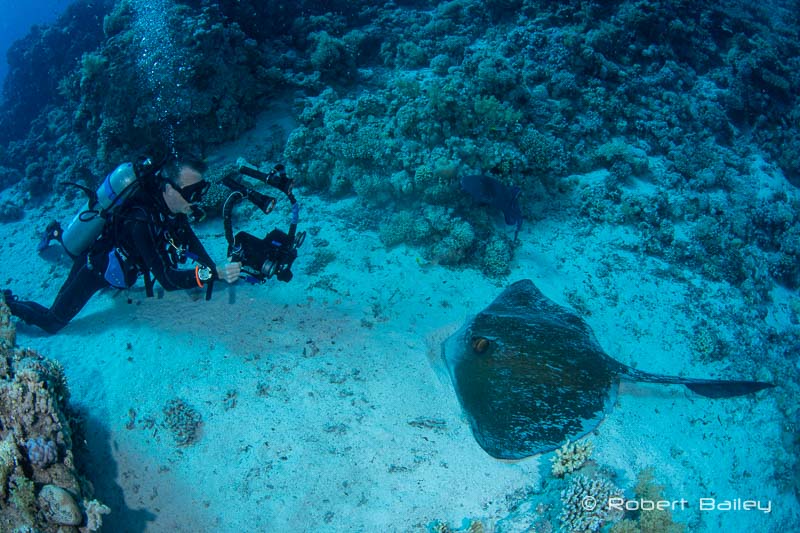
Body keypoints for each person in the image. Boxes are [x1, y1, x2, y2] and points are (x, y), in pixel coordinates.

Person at [2, 155, 241, 334]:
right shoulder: (140, 220)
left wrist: (216, 271)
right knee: (53, 321)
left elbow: (195, 248)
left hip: (116, 266)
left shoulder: (173, 212)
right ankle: (6, 304)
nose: (197, 199)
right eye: (192, 192)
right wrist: (213, 273)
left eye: (201, 190)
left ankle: (55, 237)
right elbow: (167, 280)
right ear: (168, 189)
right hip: (93, 269)